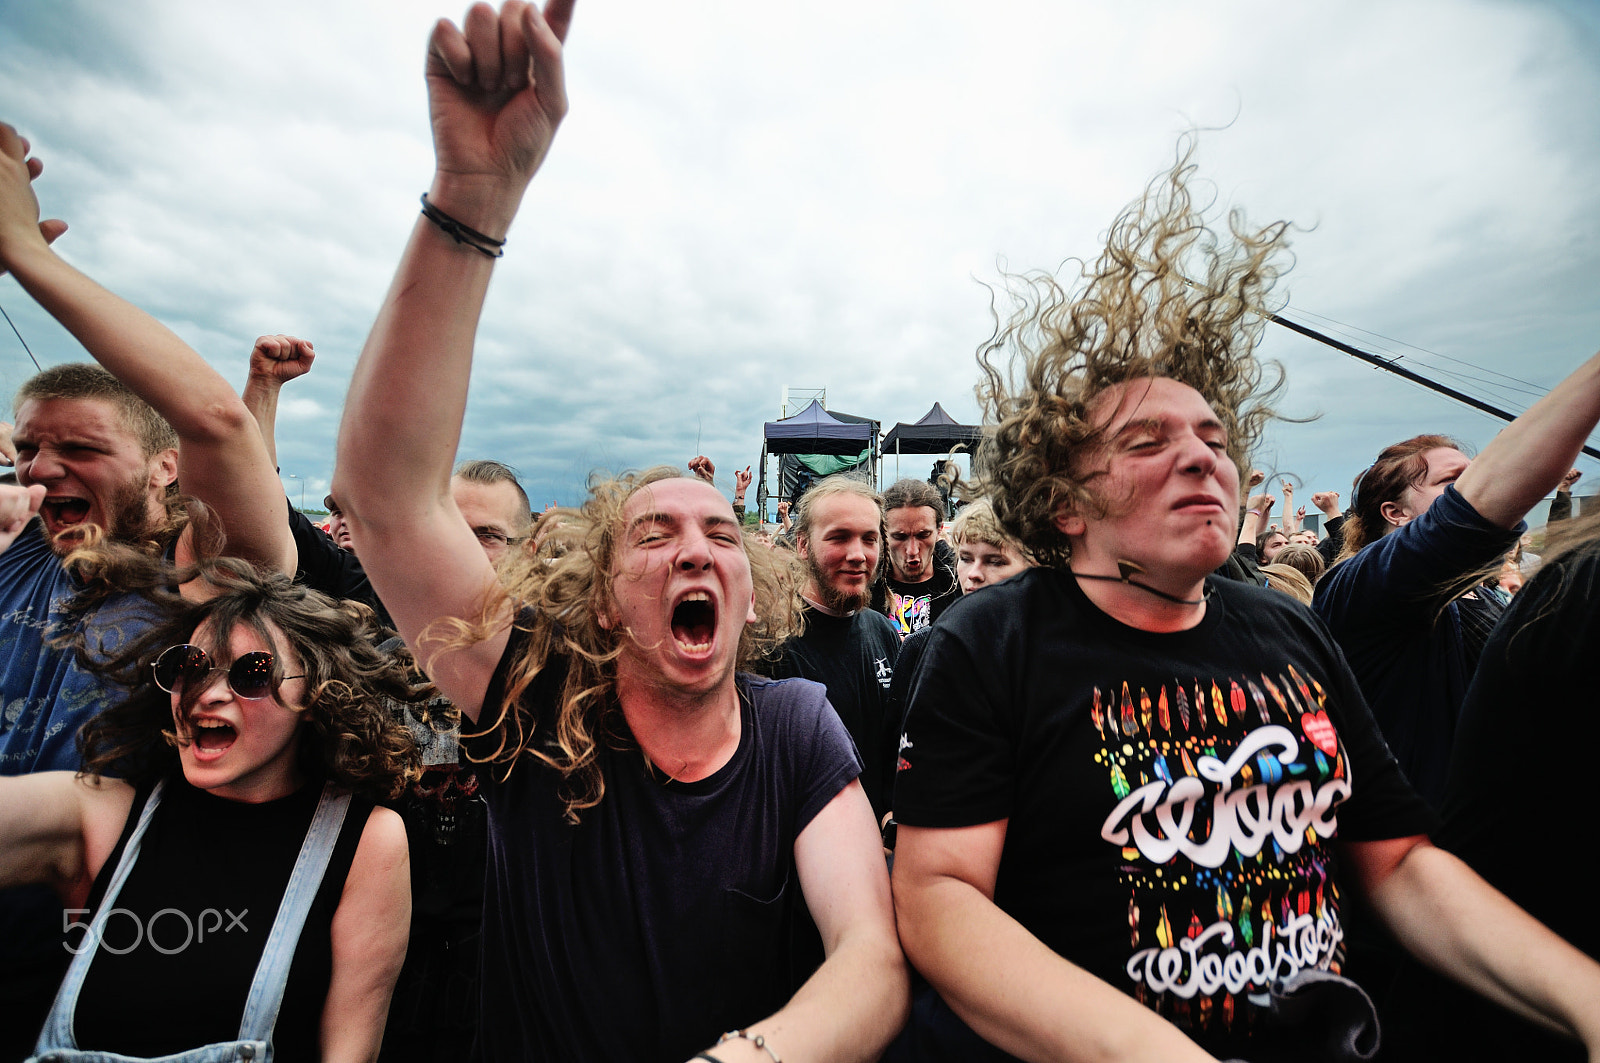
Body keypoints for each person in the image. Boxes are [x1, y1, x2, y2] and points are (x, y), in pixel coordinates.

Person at [889, 143, 1600, 1062]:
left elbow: (1397, 862)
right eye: (1149, 439)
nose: (1203, 457)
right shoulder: (992, 641)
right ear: (1064, 502)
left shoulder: (1288, 629)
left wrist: (1583, 994)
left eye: (1215, 437)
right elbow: (940, 898)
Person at [332, 5, 906, 1060]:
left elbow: (869, 956)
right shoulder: (532, 705)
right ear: (599, 592)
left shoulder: (798, 729)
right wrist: (472, 199)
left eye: (722, 535)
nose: (695, 548)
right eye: (654, 533)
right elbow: (385, 495)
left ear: (752, 587)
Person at [0, 120, 297, 1053]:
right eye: (26, 451)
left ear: (166, 468)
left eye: (79, 448)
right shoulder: (15, 557)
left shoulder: (202, 593)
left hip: (112, 972)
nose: (43, 472)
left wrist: (25, 259)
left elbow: (225, 438)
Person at [0, 553, 416, 1061]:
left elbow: (350, 1048)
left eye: (253, 673)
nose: (209, 694)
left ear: (315, 695)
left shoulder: (364, 841)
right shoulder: (102, 815)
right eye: (188, 667)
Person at [1314, 412, 1600, 809]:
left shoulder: (1477, 593)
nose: (1476, 487)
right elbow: (1457, 528)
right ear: (1395, 513)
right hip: (1428, 830)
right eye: (1453, 483)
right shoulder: (1361, 585)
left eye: (1475, 474)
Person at [767, 476, 902, 820]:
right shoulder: (772, 645)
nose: (858, 555)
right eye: (839, 538)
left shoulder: (880, 629)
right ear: (802, 545)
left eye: (869, 539)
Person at [871, 478, 960, 638]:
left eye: (923, 535)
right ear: (883, 533)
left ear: (939, 530)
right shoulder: (865, 587)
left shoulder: (957, 586)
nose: (912, 550)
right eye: (899, 537)